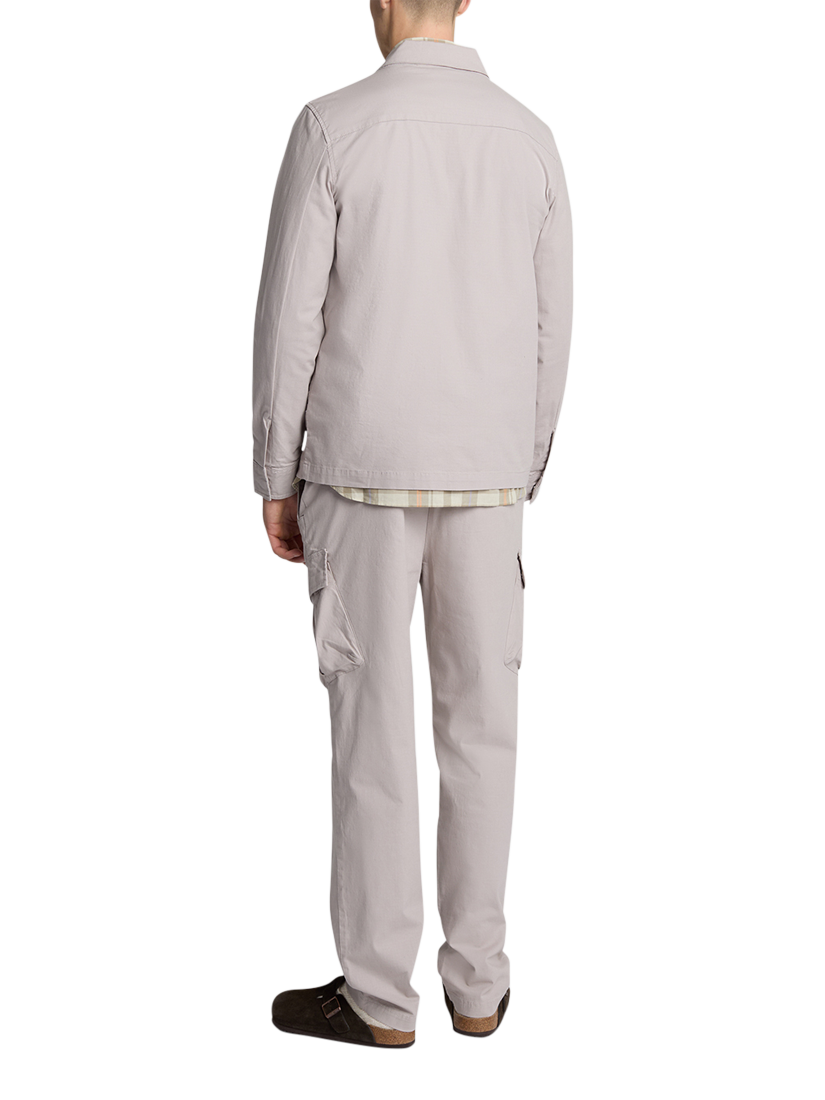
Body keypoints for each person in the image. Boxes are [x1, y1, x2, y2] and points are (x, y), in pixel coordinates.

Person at [253, 0, 573, 1050]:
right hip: (486, 476)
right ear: (465, 0)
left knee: (373, 733)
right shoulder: (529, 138)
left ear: (380, 1)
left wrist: (275, 472)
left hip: (360, 469)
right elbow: (552, 327)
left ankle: (381, 997)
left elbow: (291, 318)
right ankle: (478, 983)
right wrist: (521, 464)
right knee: (484, 726)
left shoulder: (331, 126)